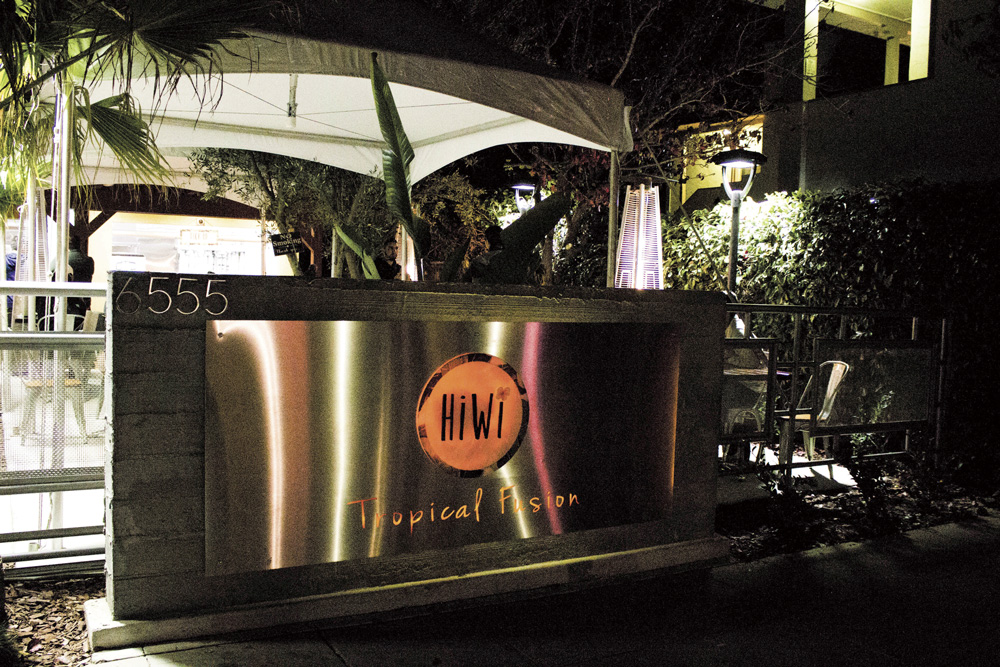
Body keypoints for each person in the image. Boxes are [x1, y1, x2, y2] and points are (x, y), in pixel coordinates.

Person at [67, 235, 95, 328]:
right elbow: (90, 274)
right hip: (85, 298)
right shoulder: (89, 260)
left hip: (69, 300)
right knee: (84, 326)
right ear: (79, 244)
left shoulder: (63, 260)